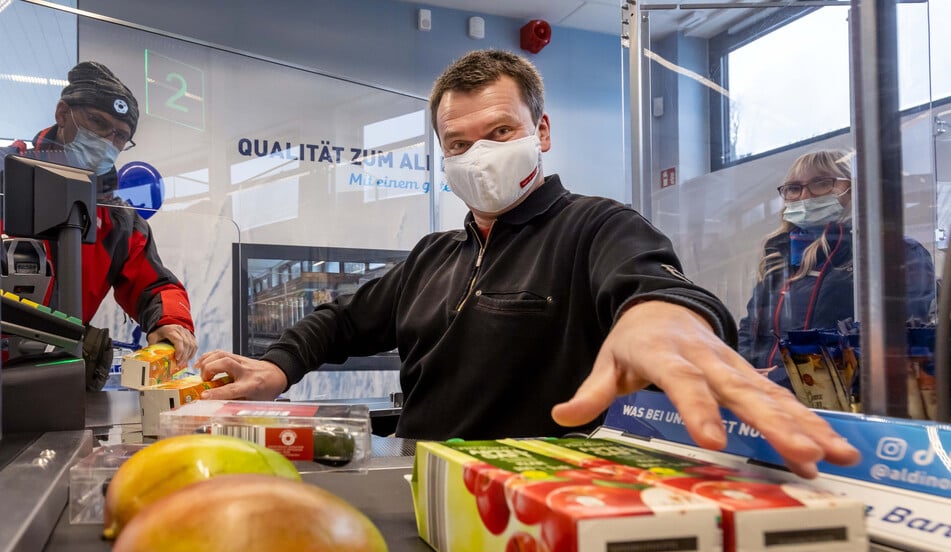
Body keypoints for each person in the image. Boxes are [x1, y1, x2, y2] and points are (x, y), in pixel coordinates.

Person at [197, 49, 860, 479]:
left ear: (540, 133)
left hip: (538, 503)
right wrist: (276, 367)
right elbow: (339, 322)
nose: (479, 153)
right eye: (458, 143)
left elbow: (647, 281)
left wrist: (663, 319)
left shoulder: (594, 226)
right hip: (421, 488)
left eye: (501, 132)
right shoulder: (434, 256)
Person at [3, 61, 198, 388]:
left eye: (120, 136)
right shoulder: (4, 178)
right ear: (62, 113)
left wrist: (170, 322)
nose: (107, 141)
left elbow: (154, 285)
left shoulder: (118, 219)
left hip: (56, 380)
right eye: (97, 122)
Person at [738, 149, 935, 380]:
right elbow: (750, 330)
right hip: (763, 395)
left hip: (841, 400)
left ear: (854, 189)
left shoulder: (894, 252)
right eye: (793, 188)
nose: (804, 196)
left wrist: (783, 380)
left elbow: (897, 341)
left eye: (821, 183)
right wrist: (742, 371)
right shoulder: (778, 255)